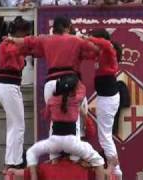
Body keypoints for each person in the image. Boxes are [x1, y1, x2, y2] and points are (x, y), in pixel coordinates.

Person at [6, 16, 99, 160]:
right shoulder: (75, 40)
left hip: (50, 84)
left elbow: (26, 42)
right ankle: (74, 160)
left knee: (53, 122)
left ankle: (53, 160)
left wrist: (11, 39)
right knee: (74, 121)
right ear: (67, 27)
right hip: (70, 82)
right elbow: (95, 51)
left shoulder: (45, 39)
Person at [26, 75, 105, 180]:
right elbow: (82, 89)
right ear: (74, 90)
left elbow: (46, 116)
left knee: (31, 152)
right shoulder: (77, 100)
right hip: (72, 142)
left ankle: (35, 177)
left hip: (55, 141)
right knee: (98, 161)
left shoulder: (51, 101)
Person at [85, 29, 123, 180]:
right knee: (105, 137)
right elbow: (88, 52)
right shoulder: (101, 53)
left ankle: (117, 171)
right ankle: (116, 170)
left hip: (108, 98)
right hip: (105, 97)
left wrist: (88, 38)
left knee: (105, 137)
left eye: (95, 39)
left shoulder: (109, 49)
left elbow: (105, 44)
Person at [0, 16, 32, 171]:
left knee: (14, 125)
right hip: (7, 85)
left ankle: (11, 161)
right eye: (24, 33)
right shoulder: (7, 43)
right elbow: (14, 52)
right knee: (18, 125)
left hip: (11, 86)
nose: (26, 36)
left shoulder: (14, 44)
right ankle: (14, 161)